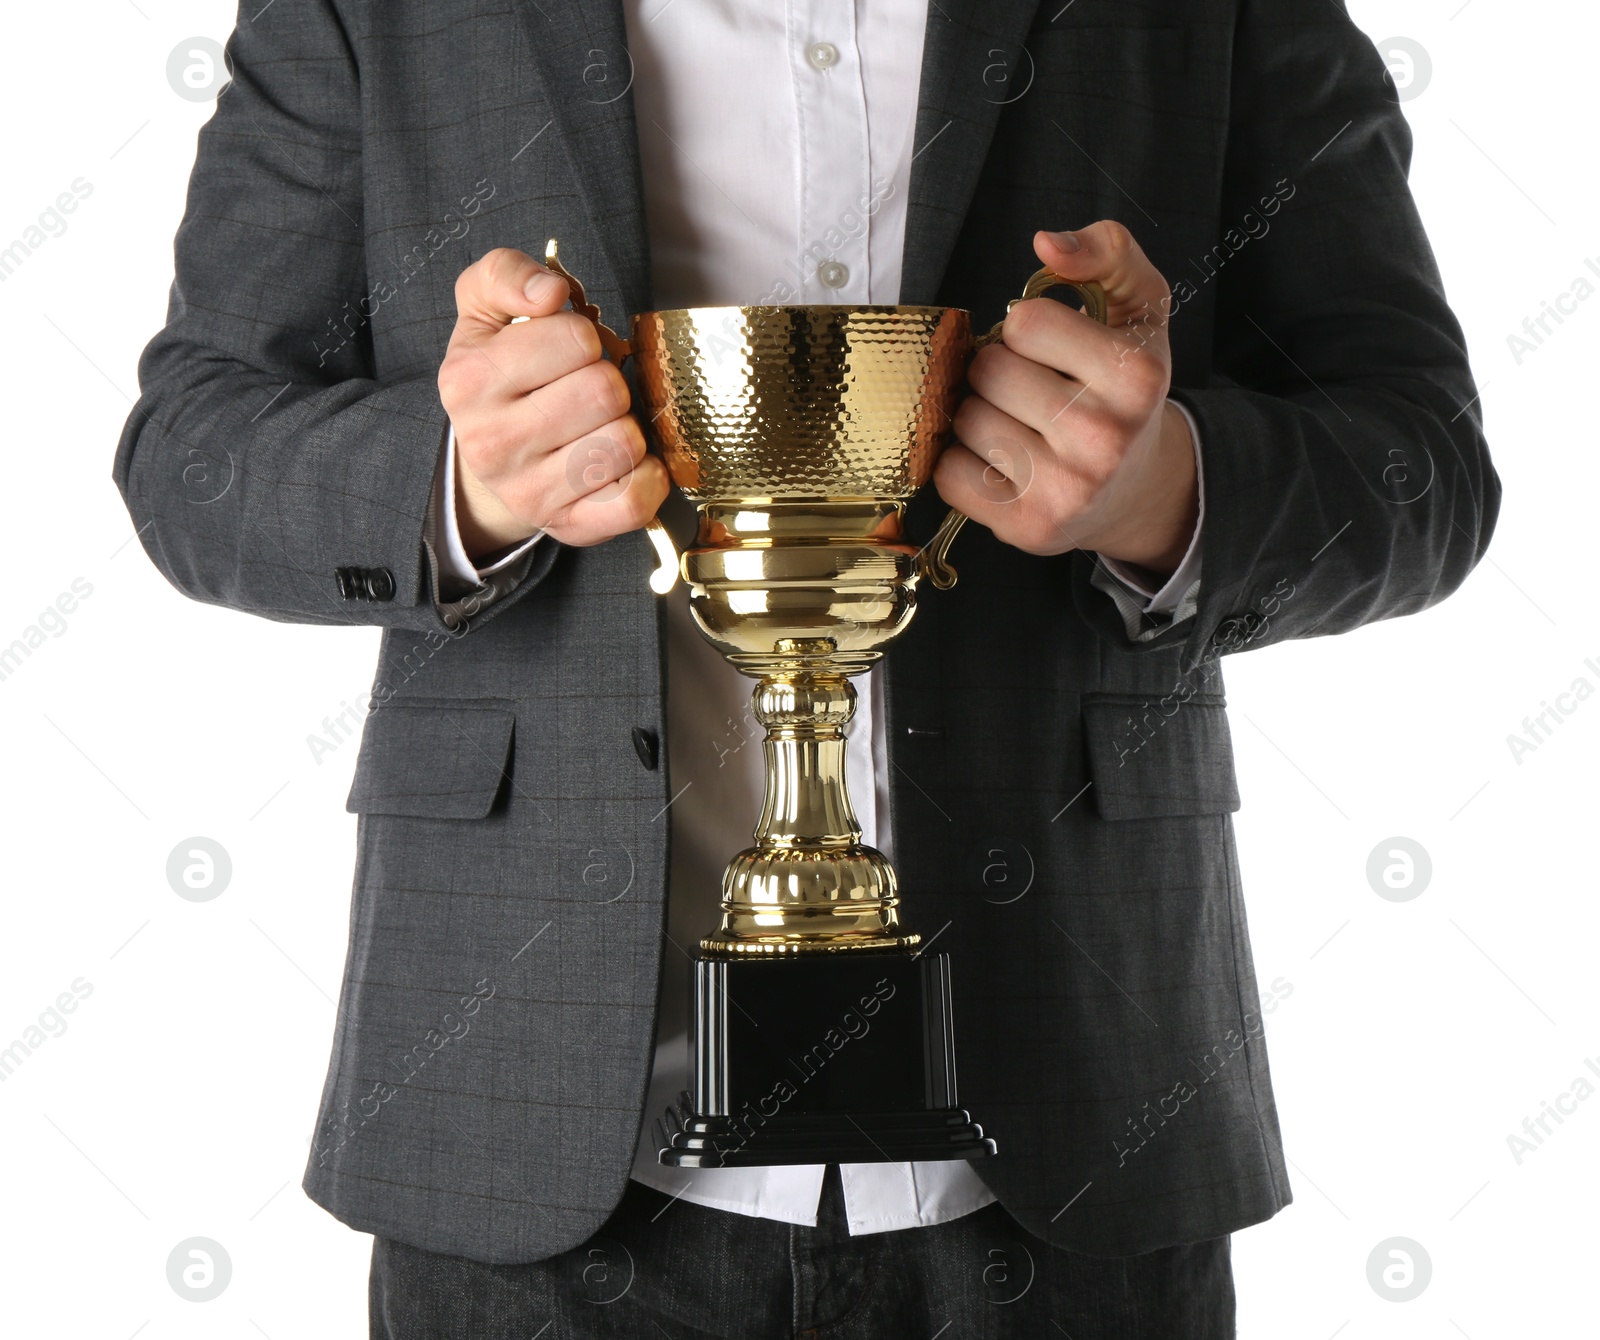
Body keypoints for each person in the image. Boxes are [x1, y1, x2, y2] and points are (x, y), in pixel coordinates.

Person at [114, 0, 1499, 1335]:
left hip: (1076, 1110)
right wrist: (456, 484)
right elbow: (190, 452)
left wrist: (1164, 493)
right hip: (530, 1130)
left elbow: (1423, 459)